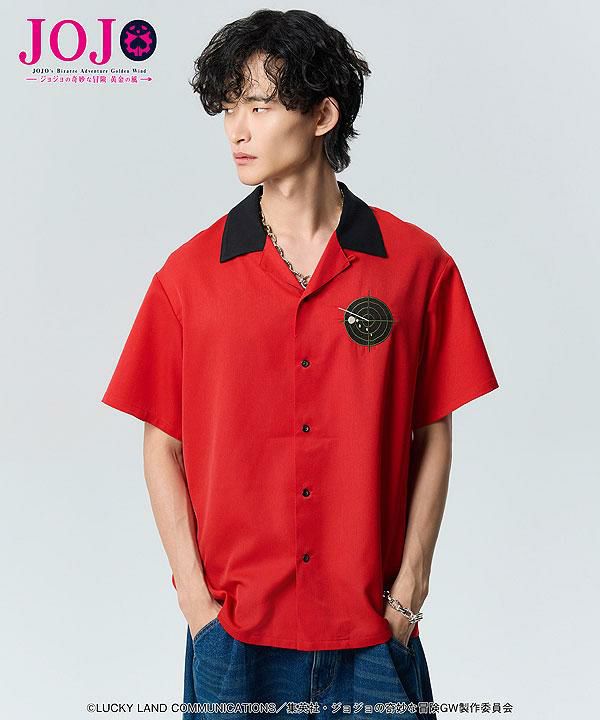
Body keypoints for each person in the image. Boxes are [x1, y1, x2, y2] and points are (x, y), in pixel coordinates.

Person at [101, 9, 499, 719]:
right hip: (235, 637)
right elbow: (162, 444)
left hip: (373, 633)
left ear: (322, 115)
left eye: (258, 106)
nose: (237, 130)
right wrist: (197, 607)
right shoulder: (188, 278)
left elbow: (433, 429)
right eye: (229, 107)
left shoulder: (416, 266)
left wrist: (410, 591)